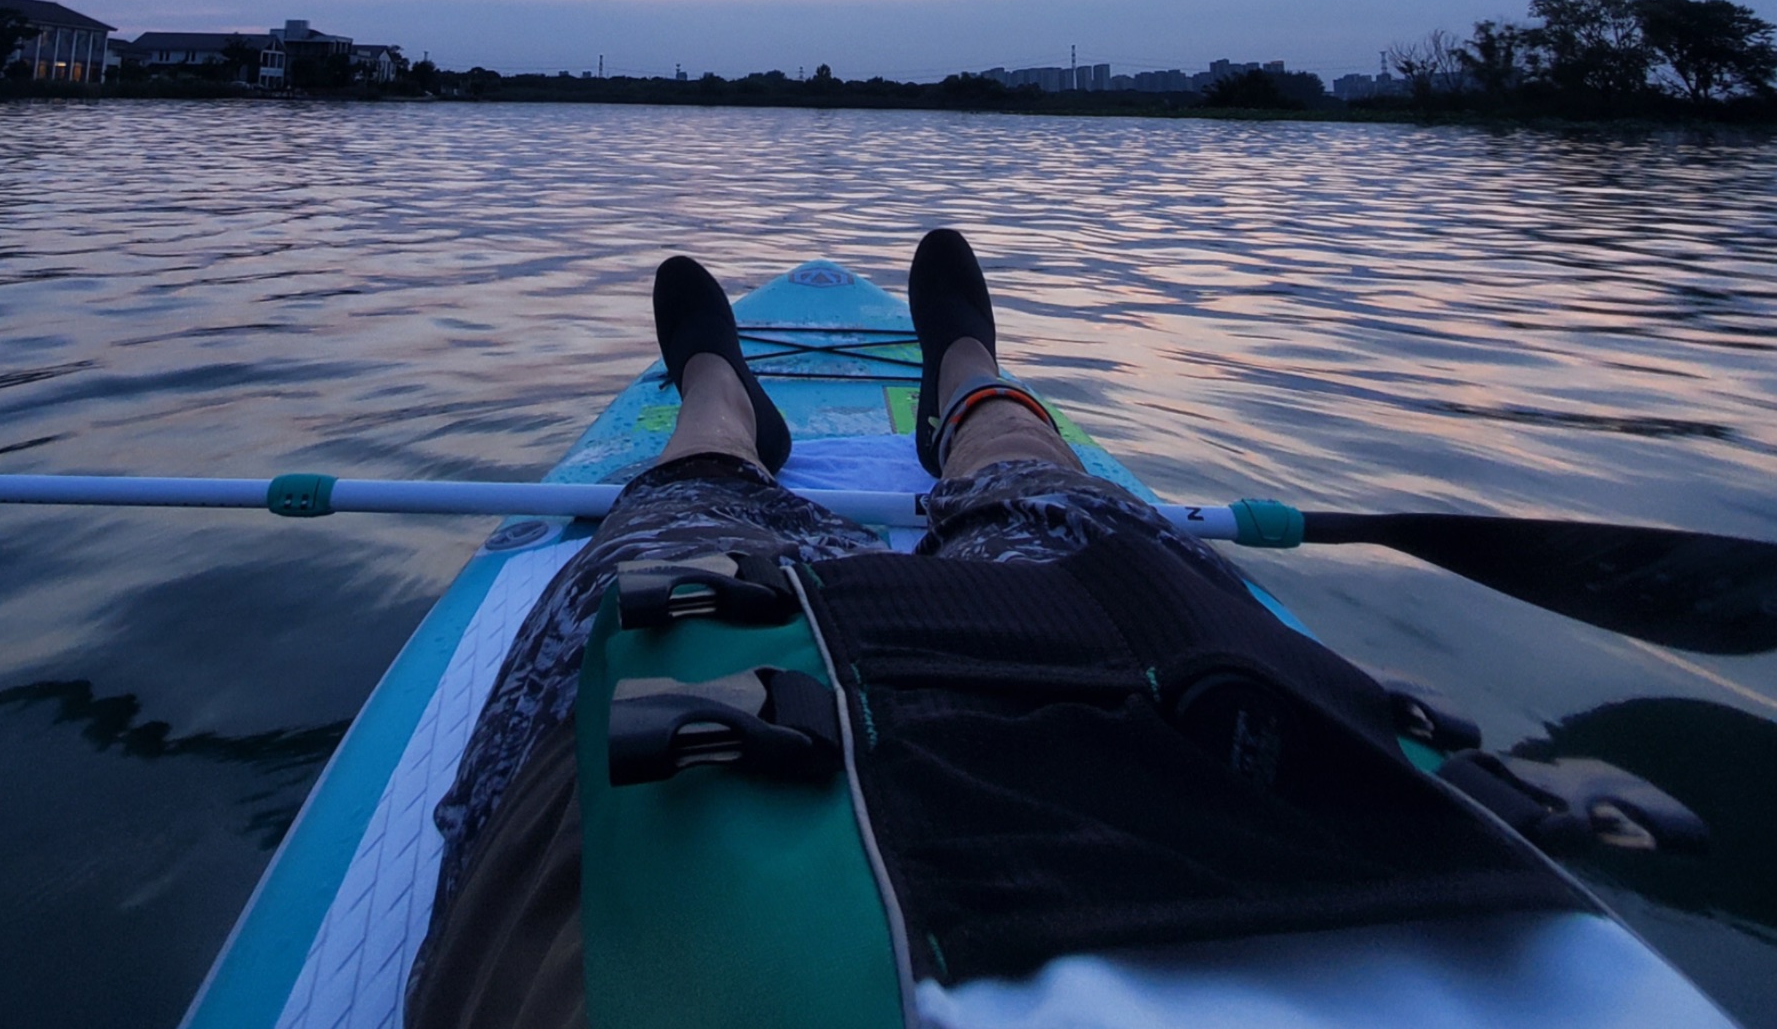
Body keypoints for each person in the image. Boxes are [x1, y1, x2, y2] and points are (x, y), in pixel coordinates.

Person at [405, 229, 1556, 1029]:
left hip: (662, 801)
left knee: (687, 518)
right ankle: (972, 388)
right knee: (1052, 517)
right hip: (1187, 733)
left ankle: (719, 403)